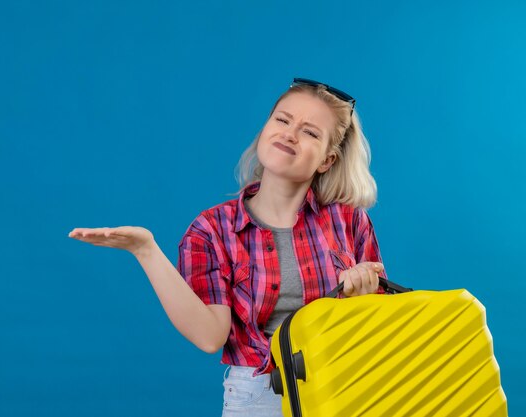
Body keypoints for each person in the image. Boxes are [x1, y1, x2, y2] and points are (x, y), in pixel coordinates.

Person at [68, 78, 387, 416]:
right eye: (282, 120)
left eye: (310, 132)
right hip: (259, 397)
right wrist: (145, 250)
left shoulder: (348, 221)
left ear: (327, 159)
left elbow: (376, 329)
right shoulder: (211, 231)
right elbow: (209, 337)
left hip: (342, 388)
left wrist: (362, 298)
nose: (290, 134)